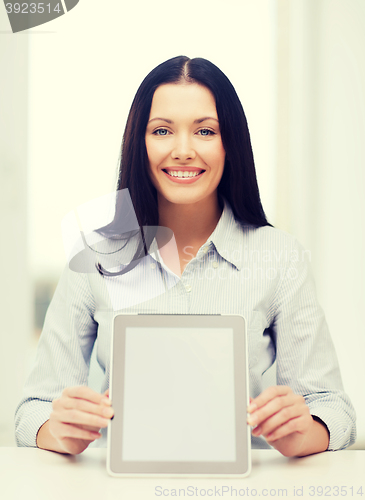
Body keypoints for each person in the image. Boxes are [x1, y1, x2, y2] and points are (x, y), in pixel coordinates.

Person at [15, 55, 356, 457]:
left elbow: (334, 410)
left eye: (205, 131)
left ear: (231, 144)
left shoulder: (281, 258)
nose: (182, 150)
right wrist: (57, 430)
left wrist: (306, 431)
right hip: (116, 487)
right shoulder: (93, 258)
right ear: (139, 144)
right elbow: (32, 412)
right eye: (161, 130)